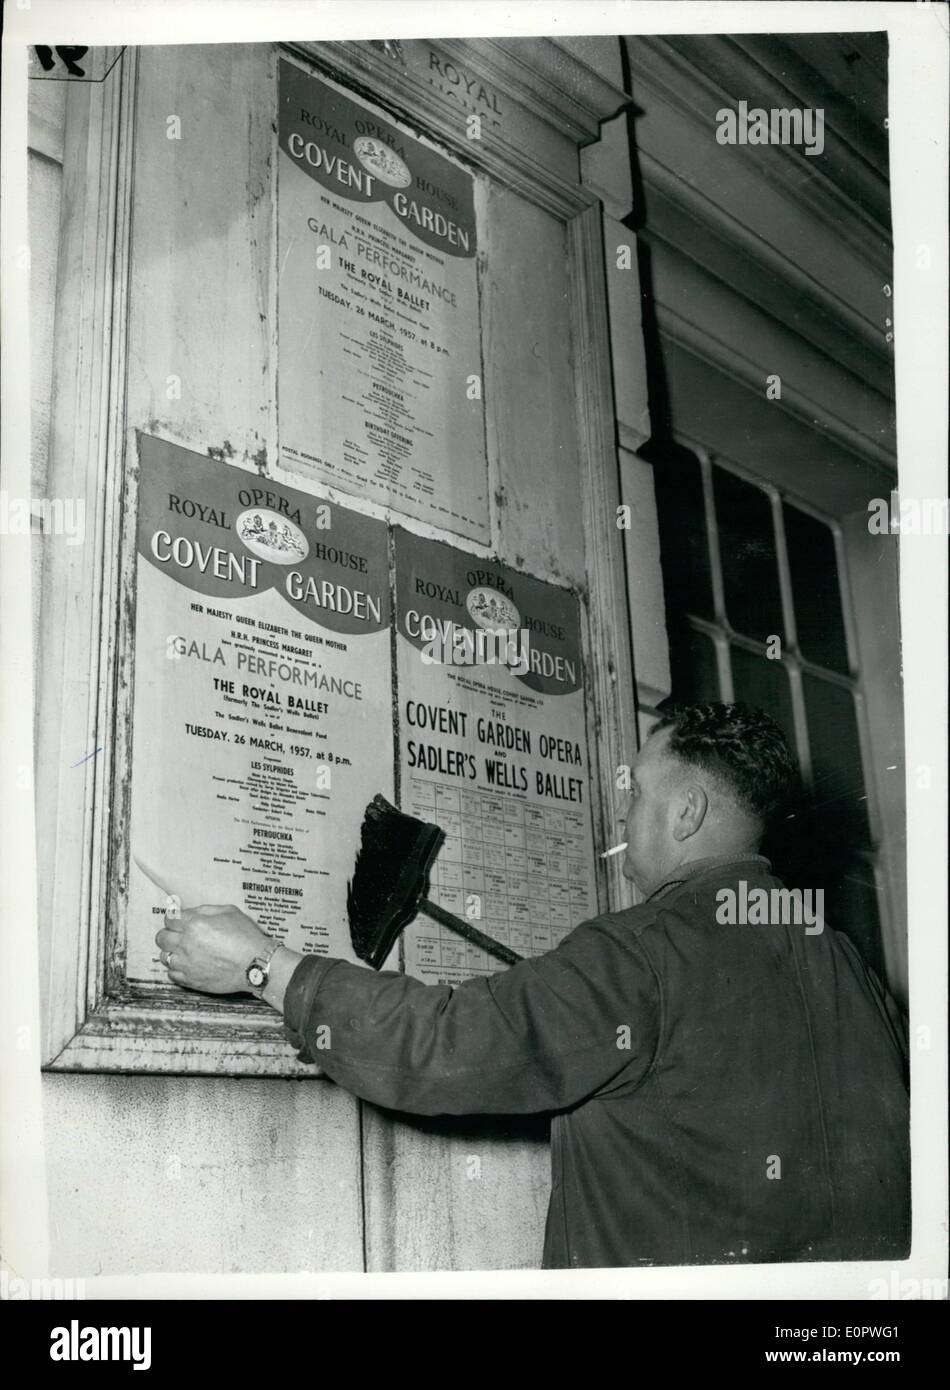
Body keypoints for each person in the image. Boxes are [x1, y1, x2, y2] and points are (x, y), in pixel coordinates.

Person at [155, 701, 910, 1268]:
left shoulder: (642, 952)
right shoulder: (847, 967)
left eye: (638, 793)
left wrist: (263, 966)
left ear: (688, 813)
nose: (623, 814)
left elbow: (444, 1048)